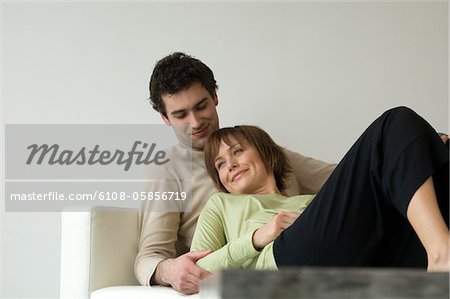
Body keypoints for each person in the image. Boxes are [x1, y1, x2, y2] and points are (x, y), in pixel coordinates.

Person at [134, 52, 336, 294]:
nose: (196, 122)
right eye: (181, 115)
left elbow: (343, 180)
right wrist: (170, 270)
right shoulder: (167, 169)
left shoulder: (256, 153)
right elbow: (149, 255)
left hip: (313, 246)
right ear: (165, 118)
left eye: (201, 106)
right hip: (258, 264)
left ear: (215, 97)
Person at [191, 106, 449, 273]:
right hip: (283, 263)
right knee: (395, 122)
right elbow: (198, 267)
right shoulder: (220, 204)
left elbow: (358, 174)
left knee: (438, 160)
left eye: (237, 151)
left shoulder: (311, 202)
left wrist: (419, 151)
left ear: (267, 154)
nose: (231, 165)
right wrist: (258, 237)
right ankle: (441, 256)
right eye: (220, 164)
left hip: (353, 259)